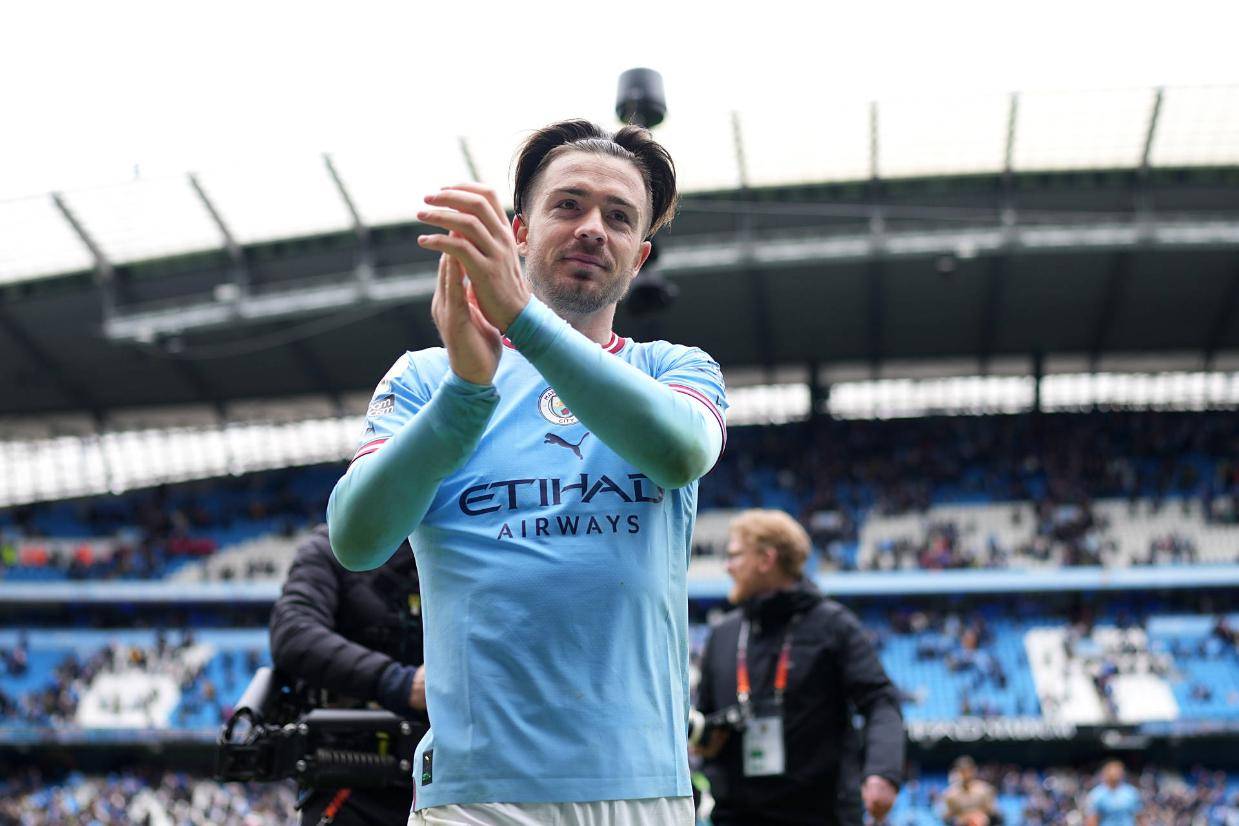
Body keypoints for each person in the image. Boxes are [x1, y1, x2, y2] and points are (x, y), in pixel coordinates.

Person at [327, 119, 728, 825]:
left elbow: (680, 453)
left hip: (641, 788)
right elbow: (356, 540)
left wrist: (521, 320)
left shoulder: (673, 368)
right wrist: (465, 394)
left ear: (639, 256)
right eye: (568, 205)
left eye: (619, 217)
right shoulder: (428, 377)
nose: (593, 228)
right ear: (518, 231)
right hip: (478, 795)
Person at [694, 509, 904, 826]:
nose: (727, 566)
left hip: (822, 816)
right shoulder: (723, 634)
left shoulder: (834, 625)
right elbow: (705, 721)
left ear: (766, 559)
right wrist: (704, 738)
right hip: (736, 816)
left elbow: (880, 701)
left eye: (735, 555)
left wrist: (882, 772)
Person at [269, 524, 427, 825]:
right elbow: (293, 632)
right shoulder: (330, 547)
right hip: (350, 781)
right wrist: (400, 683)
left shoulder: (459, 543)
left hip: (452, 780)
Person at [941, 756, 998, 826]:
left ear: (974, 770)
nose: (966, 774)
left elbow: (994, 814)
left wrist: (981, 818)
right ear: (957, 771)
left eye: (968, 770)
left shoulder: (985, 789)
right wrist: (963, 820)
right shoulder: (950, 794)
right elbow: (946, 818)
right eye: (962, 771)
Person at [1084, 760, 1143, 826]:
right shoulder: (1097, 794)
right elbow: (1092, 819)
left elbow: (1139, 816)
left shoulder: (1131, 792)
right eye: (1112, 771)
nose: (1115, 774)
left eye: (1118, 771)